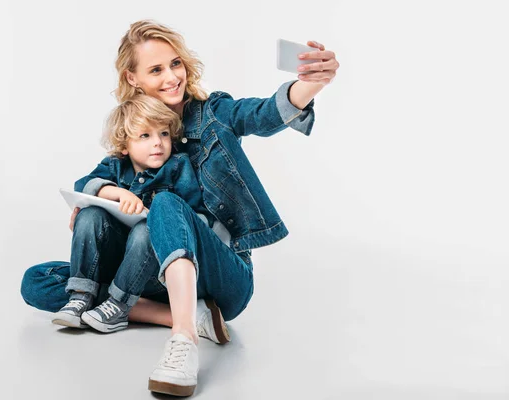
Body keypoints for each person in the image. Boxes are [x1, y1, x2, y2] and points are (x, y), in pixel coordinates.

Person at [21, 20, 339, 397]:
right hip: (150, 278)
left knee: (167, 204)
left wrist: (312, 82)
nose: (172, 76)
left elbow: (264, 114)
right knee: (38, 281)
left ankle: (183, 338)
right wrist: (99, 204)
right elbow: (93, 182)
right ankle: (177, 313)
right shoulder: (132, 133)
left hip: (222, 277)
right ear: (133, 77)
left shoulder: (213, 113)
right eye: (156, 69)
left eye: (176, 63)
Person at [51, 94, 220, 336]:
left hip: (155, 274)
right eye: (145, 136)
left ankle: (119, 305)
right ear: (123, 145)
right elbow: (82, 186)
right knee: (87, 218)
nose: (158, 143)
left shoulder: (177, 167)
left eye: (163, 133)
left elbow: (197, 219)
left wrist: (165, 218)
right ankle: (81, 297)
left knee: (145, 229)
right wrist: (116, 192)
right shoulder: (114, 166)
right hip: (115, 266)